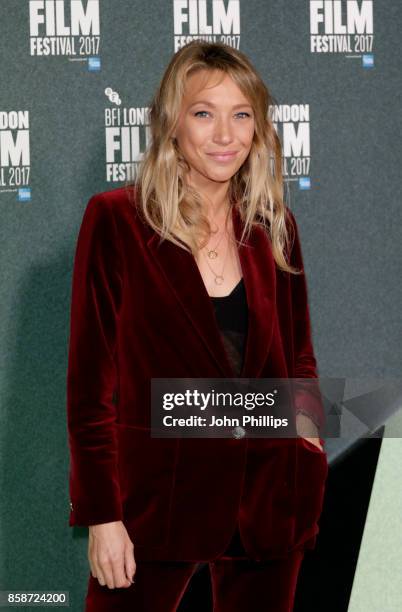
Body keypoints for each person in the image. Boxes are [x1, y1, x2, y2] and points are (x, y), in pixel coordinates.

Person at [66, 41, 329, 612]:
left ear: (258, 129)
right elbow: (91, 391)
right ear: (172, 123)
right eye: (204, 113)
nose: (225, 135)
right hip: (154, 508)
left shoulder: (274, 227)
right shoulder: (117, 220)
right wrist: (102, 516)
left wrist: (307, 446)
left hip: (269, 503)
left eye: (241, 116)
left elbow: (299, 355)